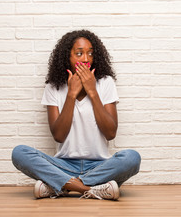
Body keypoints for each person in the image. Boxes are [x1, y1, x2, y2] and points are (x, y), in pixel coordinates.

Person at [11, 30, 141, 200]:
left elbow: (110, 133)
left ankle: (59, 185)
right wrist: (71, 95)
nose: (86, 59)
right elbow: (58, 135)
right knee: (19, 153)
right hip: (63, 164)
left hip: (100, 166)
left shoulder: (105, 82)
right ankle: (91, 189)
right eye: (79, 53)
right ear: (67, 57)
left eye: (90, 53)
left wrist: (93, 92)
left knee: (132, 158)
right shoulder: (54, 87)